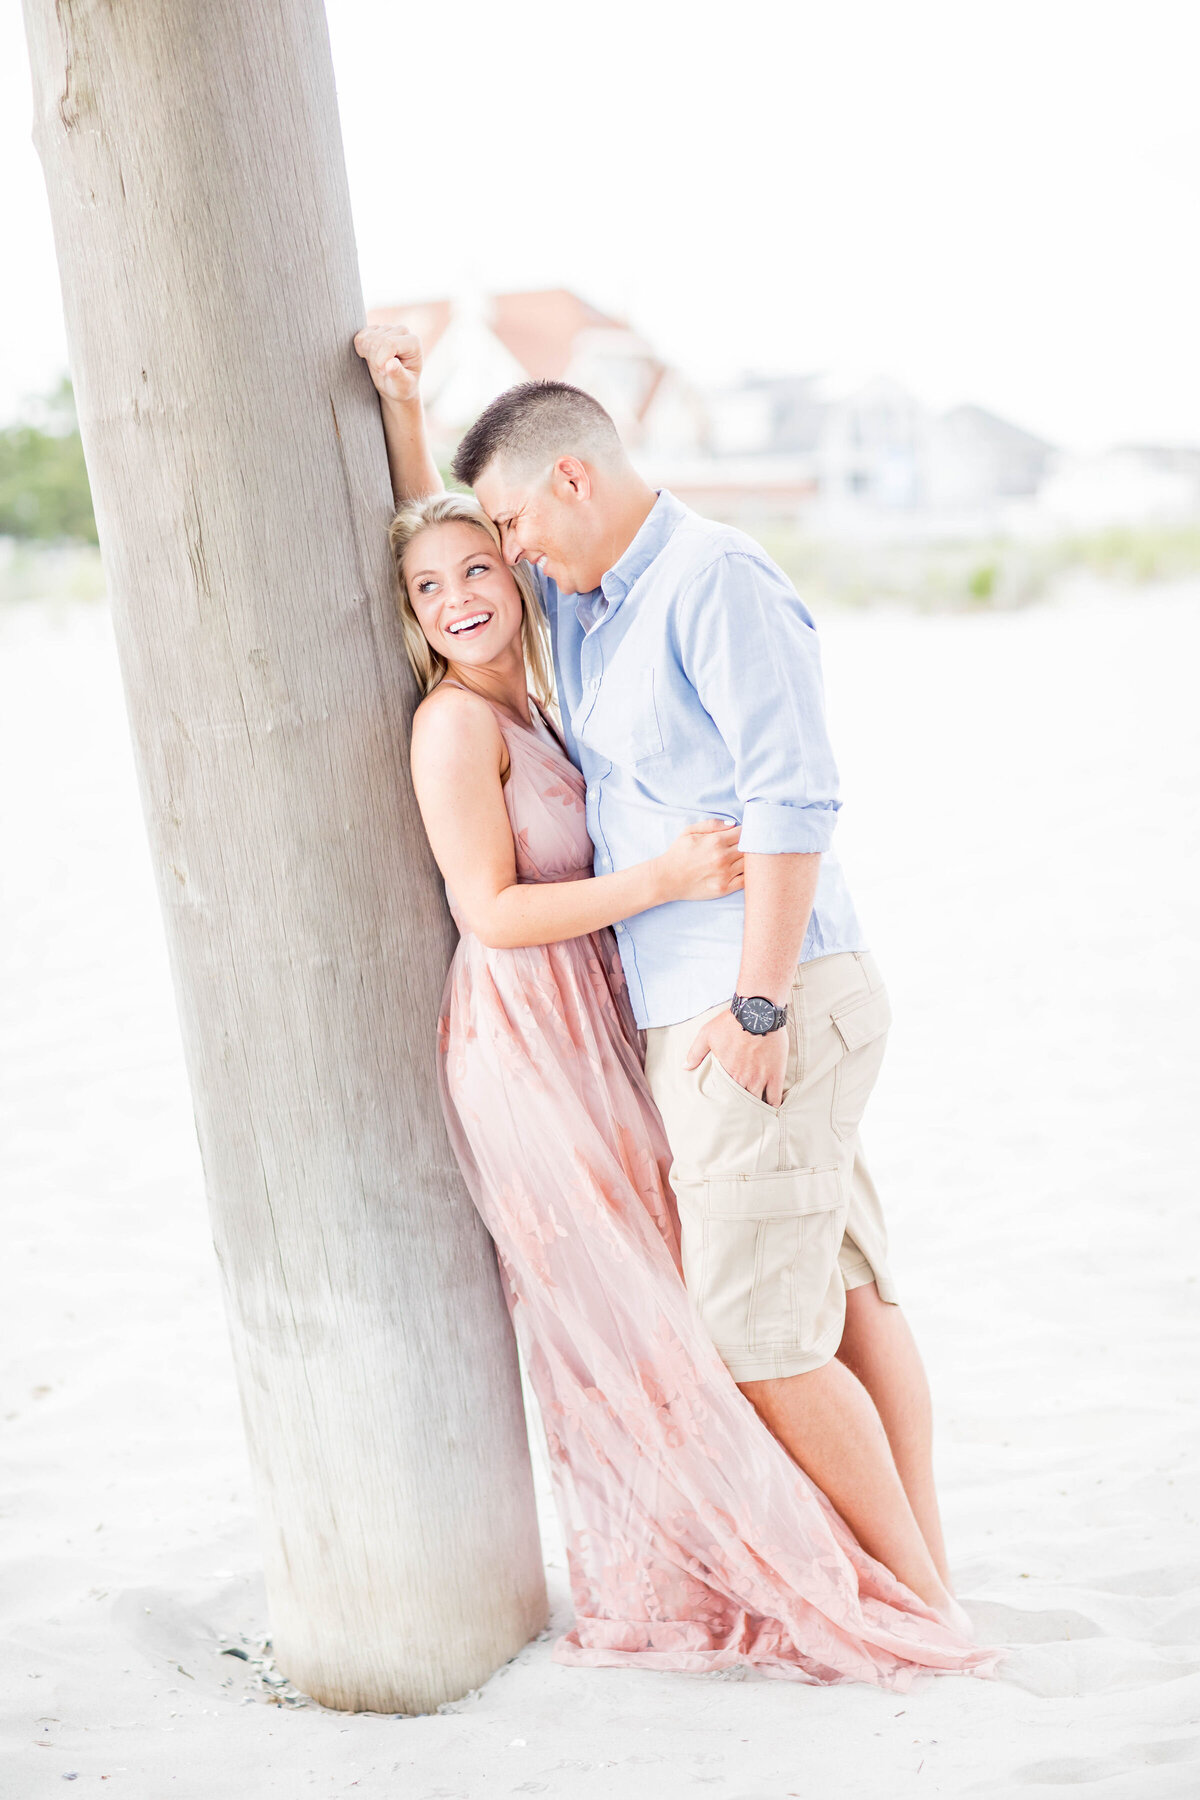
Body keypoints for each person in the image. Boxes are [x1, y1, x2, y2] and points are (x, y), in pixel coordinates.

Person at [356, 325, 991, 1684]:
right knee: (833, 1286)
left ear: (574, 485)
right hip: (653, 1012)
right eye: (479, 559)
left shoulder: (704, 581)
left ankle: (917, 1595)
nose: (505, 562)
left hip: (749, 1000)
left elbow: (794, 797)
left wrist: (757, 1007)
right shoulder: (577, 614)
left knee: (771, 1323)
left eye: (515, 531)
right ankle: (923, 1576)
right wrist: (410, 421)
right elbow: (442, 553)